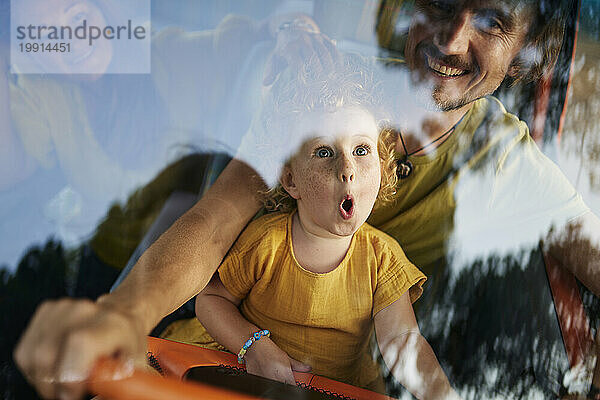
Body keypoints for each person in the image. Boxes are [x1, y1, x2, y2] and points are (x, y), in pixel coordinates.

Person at [14, 0, 600, 398]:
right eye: (442, 4)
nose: (451, 39)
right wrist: (122, 315)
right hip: (223, 353)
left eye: (492, 21)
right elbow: (216, 220)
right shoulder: (323, 87)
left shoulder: (506, 159)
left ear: (527, 52)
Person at [163, 56, 458, 398]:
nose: (347, 168)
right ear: (290, 179)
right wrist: (253, 345)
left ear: (382, 167)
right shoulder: (266, 241)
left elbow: (401, 341)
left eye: (361, 150)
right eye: (324, 152)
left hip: (334, 391)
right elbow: (211, 299)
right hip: (240, 376)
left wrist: (442, 395)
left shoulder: (383, 259)